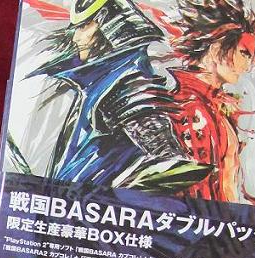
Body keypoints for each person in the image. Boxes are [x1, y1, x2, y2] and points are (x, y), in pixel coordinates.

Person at [21, 0, 207, 191]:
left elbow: (170, 165)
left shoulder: (127, 81)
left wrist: (110, 197)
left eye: (84, 26)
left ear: (110, 24)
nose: (76, 38)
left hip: (92, 203)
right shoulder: (100, 80)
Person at [168, 0, 255, 204]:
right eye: (244, 53)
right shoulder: (192, 109)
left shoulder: (209, 106)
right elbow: (198, 195)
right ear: (216, 49)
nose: (246, 66)